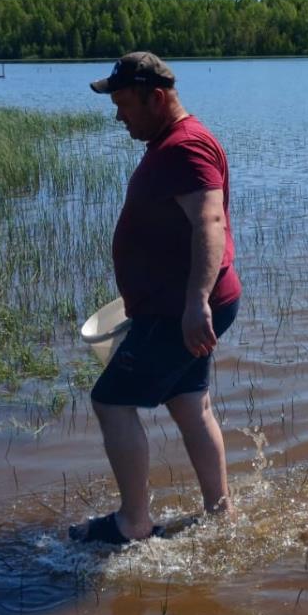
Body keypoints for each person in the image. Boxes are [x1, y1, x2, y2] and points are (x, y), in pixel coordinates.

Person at [70, 51, 242, 544]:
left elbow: (209, 223)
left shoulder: (186, 147)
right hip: (178, 304)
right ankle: (220, 511)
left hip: (179, 309)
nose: (118, 114)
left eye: (124, 103)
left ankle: (132, 523)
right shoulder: (170, 142)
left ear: (157, 97)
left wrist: (195, 303)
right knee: (190, 404)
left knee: (110, 402)